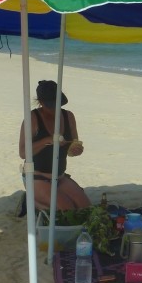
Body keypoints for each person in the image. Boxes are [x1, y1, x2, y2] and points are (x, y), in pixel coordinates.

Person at [18, 80, 91, 212]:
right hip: (37, 177)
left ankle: (42, 201)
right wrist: (47, 140)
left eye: (56, 104)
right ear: (40, 102)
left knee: (85, 207)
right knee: (66, 209)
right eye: (50, 105)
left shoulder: (68, 116)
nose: (54, 109)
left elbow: (73, 147)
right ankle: (32, 202)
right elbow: (23, 152)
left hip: (60, 177)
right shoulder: (33, 118)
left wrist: (76, 150)